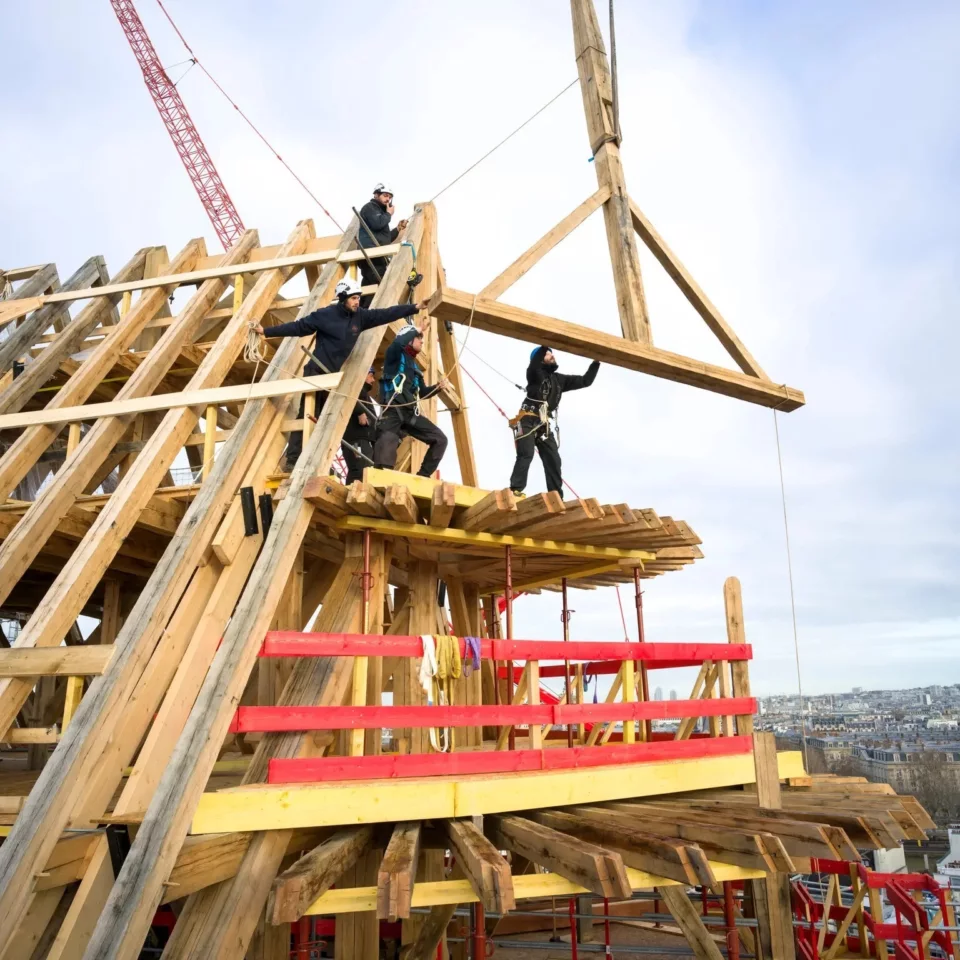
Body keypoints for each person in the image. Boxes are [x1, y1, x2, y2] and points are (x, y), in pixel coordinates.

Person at [252, 277, 425, 470]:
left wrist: (413, 307)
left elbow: (385, 314)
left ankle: (314, 462)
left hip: (332, 377)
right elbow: (298, 327)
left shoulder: (360, 317)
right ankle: (292, 461)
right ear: (343, 297)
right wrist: (266, 331)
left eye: (358, 298)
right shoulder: (324, 315)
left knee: (325, 420)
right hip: (316, 372)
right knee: (307, 414)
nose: (357, 301)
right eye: (353, 298)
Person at [509, 346, 600, 496]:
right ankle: (516, 490)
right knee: (526, 454)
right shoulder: (534, 374)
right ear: (538, 358)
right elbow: (535, 362)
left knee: (553, 459)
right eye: (547, 354)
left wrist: (596, 362)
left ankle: (556, 496)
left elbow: (585, 381)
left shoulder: (559, 380)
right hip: (527, 420)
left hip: (543, 424)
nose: (551, 355)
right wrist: (545, 343)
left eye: (552, 353)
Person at [374, 325, 449, 477]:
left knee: (440, 439)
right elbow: (397, 343)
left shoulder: (415, 369)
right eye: (419, 339)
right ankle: (382, 479)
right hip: (393, 410)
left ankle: (423, 476)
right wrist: (416, 330)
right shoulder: (394, 355)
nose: (422, 342)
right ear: (408, 339)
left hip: (409, 413)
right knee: (388, 441)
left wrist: (438, 387)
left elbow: (422, 393)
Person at [358, 183, 408, 307]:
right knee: (381, 286)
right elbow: (377, 224)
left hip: (376, 255)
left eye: (390, 197)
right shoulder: (370, 207)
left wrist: (397, 229)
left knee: (369, 288)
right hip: (372, 255)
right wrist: (389, 214)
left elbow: (383, 240)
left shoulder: (380, 213)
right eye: (385, 195)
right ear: (376, 195)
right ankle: (368, 314)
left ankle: (361, 311)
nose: (388, 199)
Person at [341, 367, 379, 483]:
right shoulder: (354, 390)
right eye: (371, 376)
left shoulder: (363, 394)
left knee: (361, 469)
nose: (373, 380)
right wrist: (359, 411)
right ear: (363, 374)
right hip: (356, 441)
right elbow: (347, 394)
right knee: (359, 470)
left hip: (362, 440)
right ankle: (351, 497)